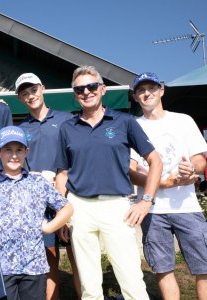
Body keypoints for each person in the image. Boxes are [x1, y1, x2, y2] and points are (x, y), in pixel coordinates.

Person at [54, 65, 162, 300]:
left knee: (132, 281)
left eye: (92, 86)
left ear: (102, 89)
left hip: (116, 207)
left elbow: (155, 161)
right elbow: (62, 174)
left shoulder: (124, 122)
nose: (86, 92)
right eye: (80, 89)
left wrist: (146, 201)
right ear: (75, 94)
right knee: (89, 287)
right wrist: (62, 212)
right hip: (78, 207)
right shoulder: (67, 128)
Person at [129, 72, 207, 300]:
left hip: (187, 207)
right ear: (135, 97)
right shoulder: (132, 126)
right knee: (163, 269)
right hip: (152, 210)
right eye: (141, 90)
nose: (147, 93)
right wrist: (161, 182)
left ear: (161, 90)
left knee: (204, 267)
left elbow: (200, 159)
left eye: (151, 88)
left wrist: (191, 169)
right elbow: (131, 170)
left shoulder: (183, 120)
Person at [0, 126, 73, 300]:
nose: (13, 155)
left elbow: (67, 208)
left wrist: (49, 228)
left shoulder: (37, 182)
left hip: (33, 267)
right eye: (8, 150)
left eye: (19, 150)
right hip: (1, 268)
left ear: (26, 152)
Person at [15, 73, 80, 299]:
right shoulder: (21, 128)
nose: (30, 96)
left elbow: (77, 155)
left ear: (42, 88)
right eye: (24, 93)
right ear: (20, 98)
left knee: (77, 257)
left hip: (69, 196)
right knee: (48, 256)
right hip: (37, 202)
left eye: (33, 90)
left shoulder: (66, 119)